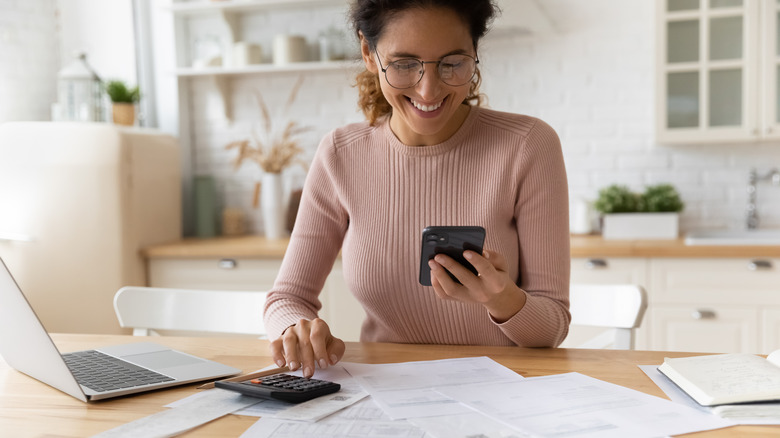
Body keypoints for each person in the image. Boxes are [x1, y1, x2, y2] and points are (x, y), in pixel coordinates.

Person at [264, 0, 571, 378]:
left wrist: (501, 298)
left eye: (452, 63)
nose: (428, 90)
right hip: (385, 391)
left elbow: (552, 326)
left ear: (475, 53)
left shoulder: (527, 145)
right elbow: (287, 298)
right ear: (368, 53)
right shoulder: (341, 155)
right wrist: (295, 327)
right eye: (405, 63)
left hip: (502, 391)